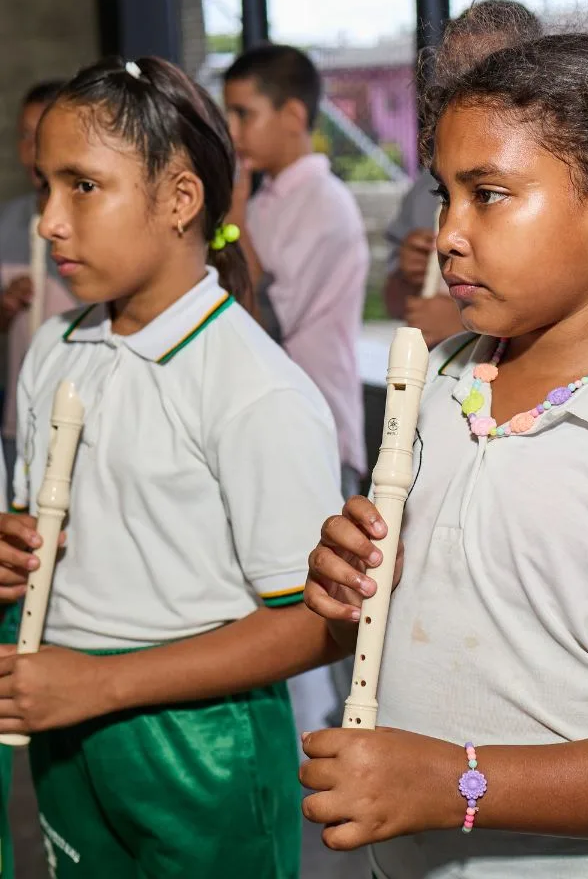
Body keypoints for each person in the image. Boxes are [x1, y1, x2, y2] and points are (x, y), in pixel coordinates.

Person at [302, 32, 588, 878]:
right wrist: (346, 591)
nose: (448, 234)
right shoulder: (441, 383)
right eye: (443, 195)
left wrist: (456, 784)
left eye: (488, 195)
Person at [0, 55, 346, 879]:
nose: (49, 221)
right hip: (64, 715)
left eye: (82, 186)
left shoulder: (254, 388)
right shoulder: (55, 347)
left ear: (182, 200)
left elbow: (317, 621)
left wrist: (103, 686)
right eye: (46, 187)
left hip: (201, 740)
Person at [223, 44, 369, 500]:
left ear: (291, 116)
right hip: (262, 425)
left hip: (316, 429)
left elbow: (266, 321)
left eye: (243, 114)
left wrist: (234, 221)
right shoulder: (262, 200)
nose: (232, 131)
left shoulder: (324, 202)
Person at [384, 0, 543, 344]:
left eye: (488, 195)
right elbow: (394, 301)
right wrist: (410, 278)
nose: (447, 237)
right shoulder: (427, 182)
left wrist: (462, 327)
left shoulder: (551, 180)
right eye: (451, 76)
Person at [0, 79, 75, 480]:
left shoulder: (96, 224)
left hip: (81, 415)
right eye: (24, 136)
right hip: (19, 420)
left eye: (42, 133)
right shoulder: (7, 224)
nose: (32, 150)